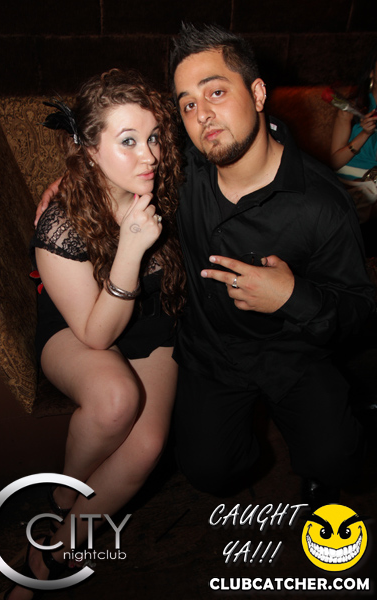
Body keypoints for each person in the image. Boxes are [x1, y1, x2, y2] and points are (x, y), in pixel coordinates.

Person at [168, 23, 375, 507]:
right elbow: (116, 151)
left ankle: (319, 464)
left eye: (216, 92)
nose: (202, 114)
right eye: (188, 105)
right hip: (211, 353)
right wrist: (71, 179)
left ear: (258, 93)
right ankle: (254, 457)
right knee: (207, 469)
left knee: (339, 460)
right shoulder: (181, 172)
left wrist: (292, 296)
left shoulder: (321, 203)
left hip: (292, 354)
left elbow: (360, 309)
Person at [1, 68, 185, 600]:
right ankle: (63, 498)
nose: (149, 155)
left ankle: (58, 549)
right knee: (114, 399)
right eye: (127, 141)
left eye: (153, 137)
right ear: (89, 149)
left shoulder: (167, 184)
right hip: (78, 324)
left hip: (153, 321)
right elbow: (97, 335)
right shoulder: (59, 222)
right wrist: (130, 249)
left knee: (147, 446)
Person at [330, 44, 377, 229]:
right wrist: (365, 134)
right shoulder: (351, 109)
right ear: (372, 74)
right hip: (349, 182)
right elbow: (335, 162)